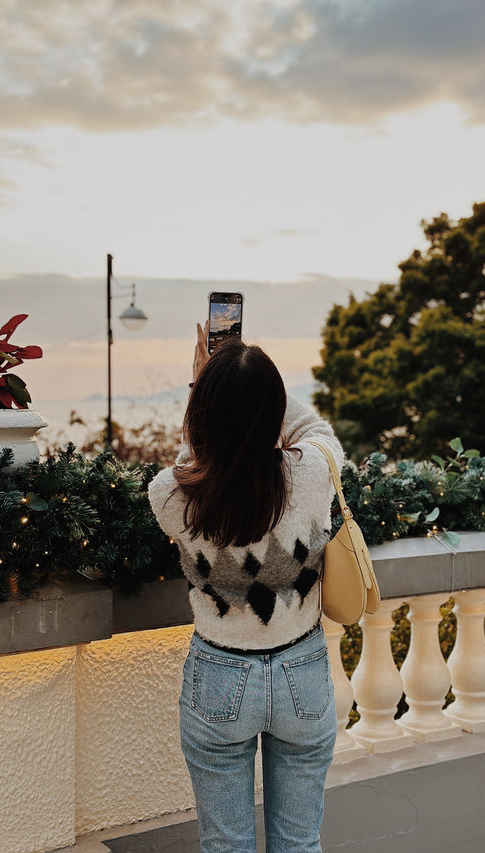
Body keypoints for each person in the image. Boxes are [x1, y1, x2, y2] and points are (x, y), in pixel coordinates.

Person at [148, 321, 344, 853]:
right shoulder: (312, 474)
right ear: (273, 407)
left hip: (219, 676)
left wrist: (208, 385)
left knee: (226, 846)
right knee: (300, 844)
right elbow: (318, 431)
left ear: (201, 413)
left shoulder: (169, 497)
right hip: (301, 669)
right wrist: (255, 388)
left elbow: (197, 461)